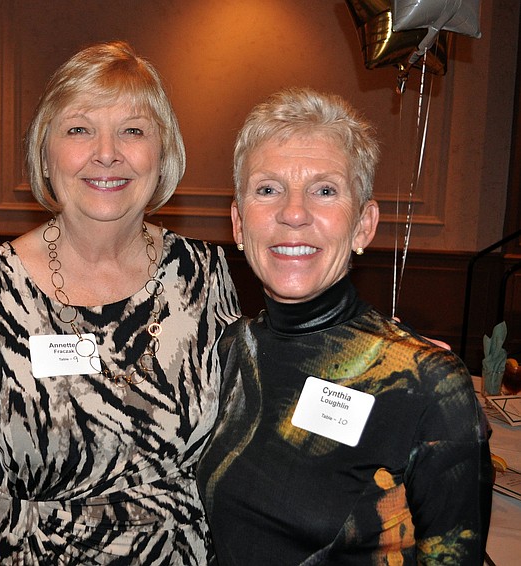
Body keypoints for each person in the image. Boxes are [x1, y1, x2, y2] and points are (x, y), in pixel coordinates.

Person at [0, 40, 241, 564]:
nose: (106, 153)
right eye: (79, 129)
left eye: (133, 130)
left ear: (164, 154)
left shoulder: (203, 274)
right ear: (46, 154)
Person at [197, 87, 492, 565]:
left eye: (325, 190)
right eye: (268, 189)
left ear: (364, 225)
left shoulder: (427, 383)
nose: (293, 213)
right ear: (237, 222)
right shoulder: (227, 352)